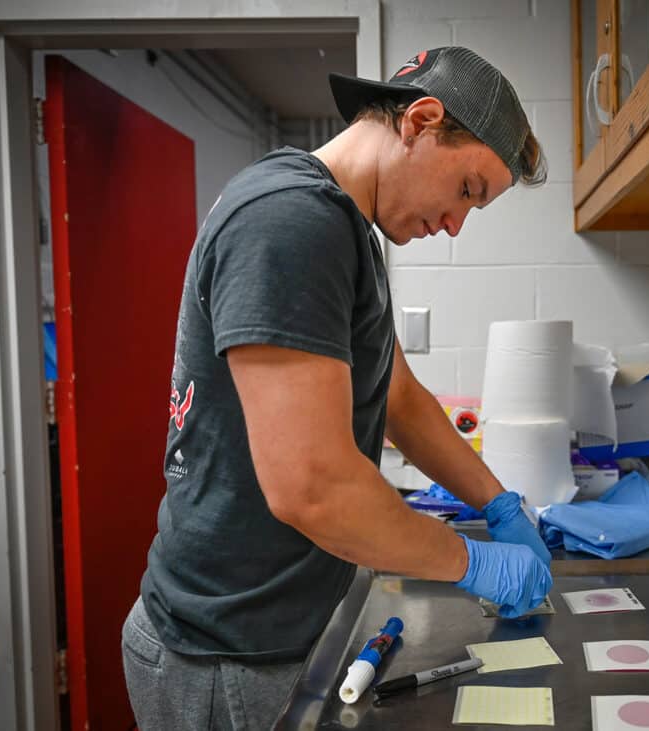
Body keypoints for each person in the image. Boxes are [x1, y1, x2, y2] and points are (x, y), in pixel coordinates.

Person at [121, 46, 553, 730]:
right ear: (421, 120)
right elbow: (311, 486)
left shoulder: (347, 230)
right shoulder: (292, 221)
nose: (455, 224)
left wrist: (495, 500)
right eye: (468, 189)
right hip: (225, 654)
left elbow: (398, 395)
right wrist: (473, 562)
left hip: (276, 632)